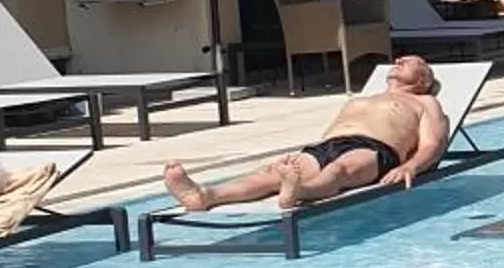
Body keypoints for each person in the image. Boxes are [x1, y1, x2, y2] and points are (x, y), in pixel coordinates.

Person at [162, 56, 450, 214]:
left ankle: (300, 191)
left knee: (340, 170)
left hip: (374, 149)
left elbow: (433, 143)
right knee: (270, 172)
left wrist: (410, 166)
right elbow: (332, 132)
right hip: (327, 145)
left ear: (423, 79)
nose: (398, 59)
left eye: (409, 61)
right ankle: (205, 195)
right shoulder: (361, 99)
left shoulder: (425, 103)